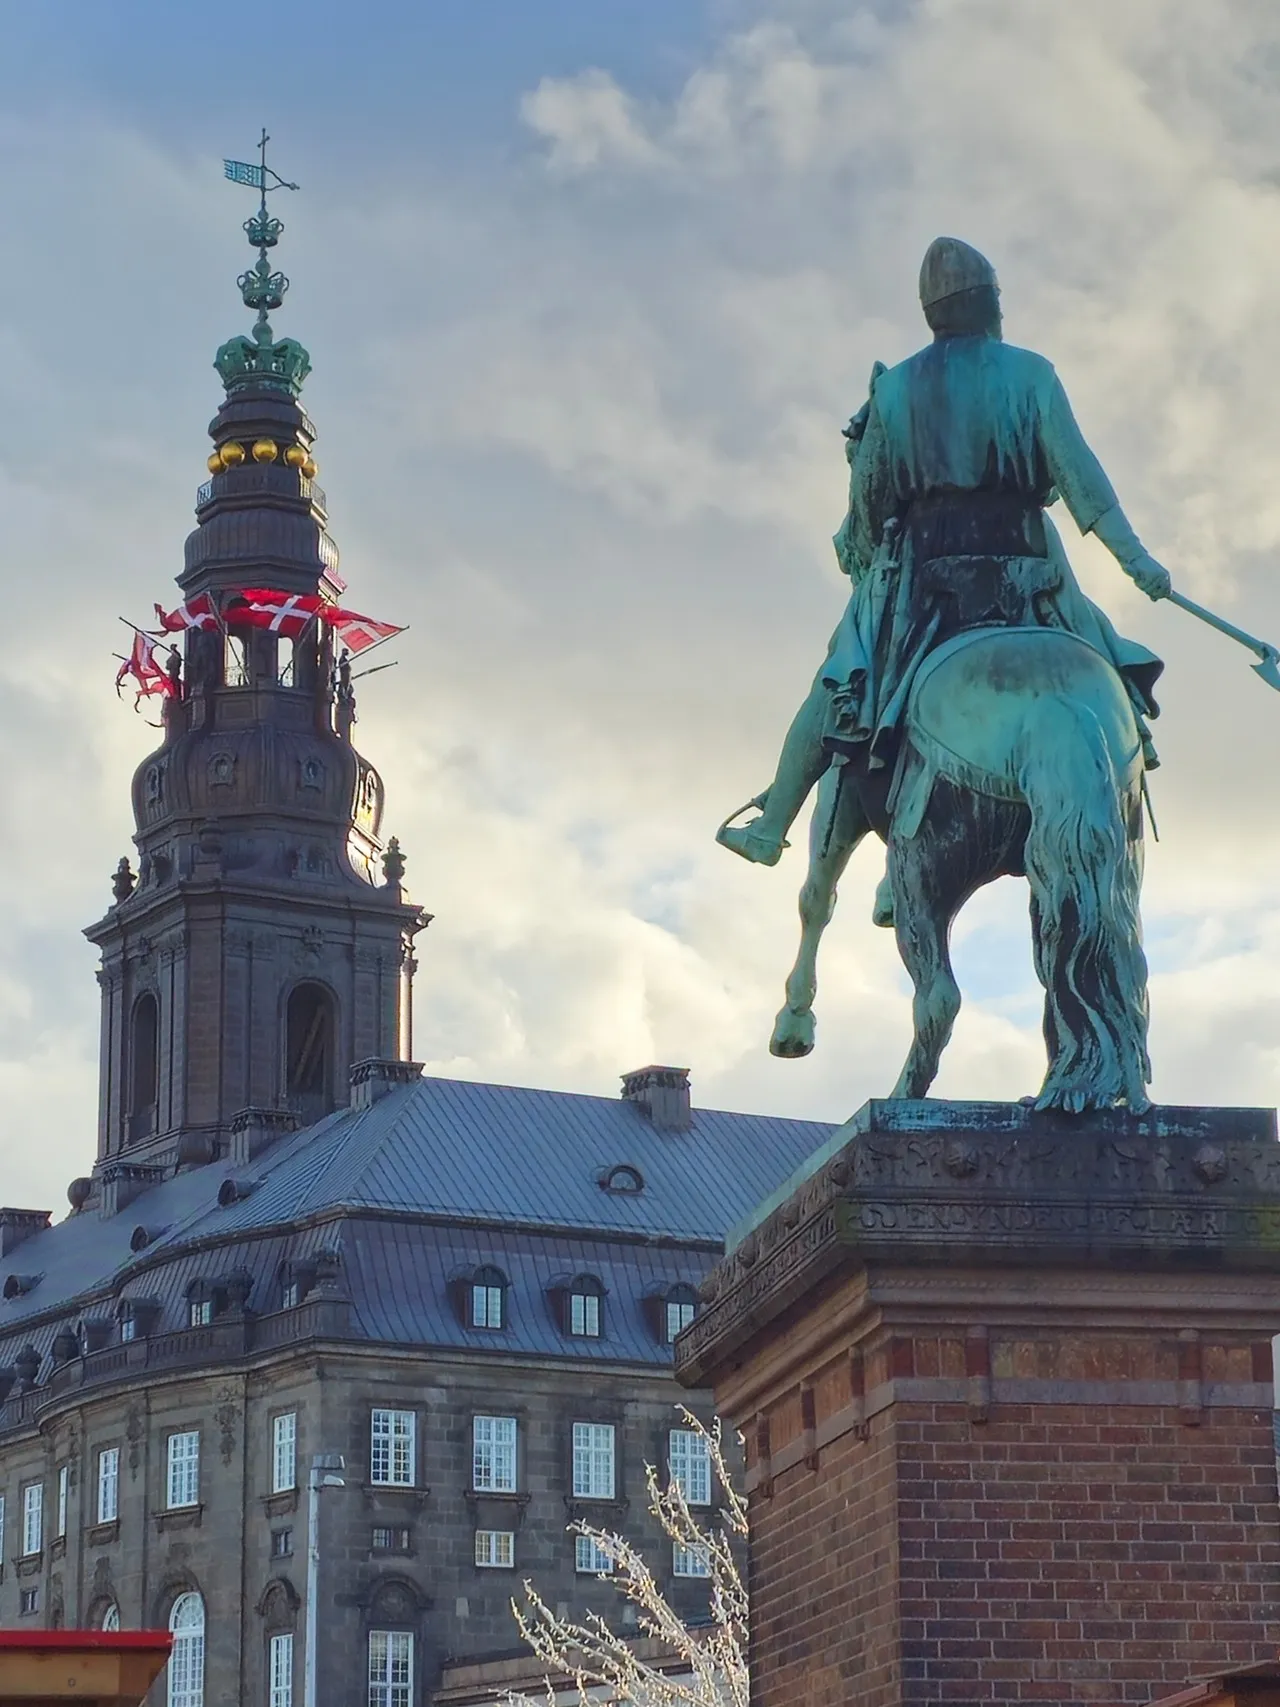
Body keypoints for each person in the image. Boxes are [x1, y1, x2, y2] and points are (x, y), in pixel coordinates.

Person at [717, 237, 1169, 875]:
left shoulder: (895, 390)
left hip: (926, 573)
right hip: (1031, 565)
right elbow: (1083, 482)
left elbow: (869, 513)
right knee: (1097, 657)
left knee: (838, 680)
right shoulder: (1031, 372)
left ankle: (771, 825)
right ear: (988, 303)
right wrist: (1137, 560)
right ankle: (1130, 746)